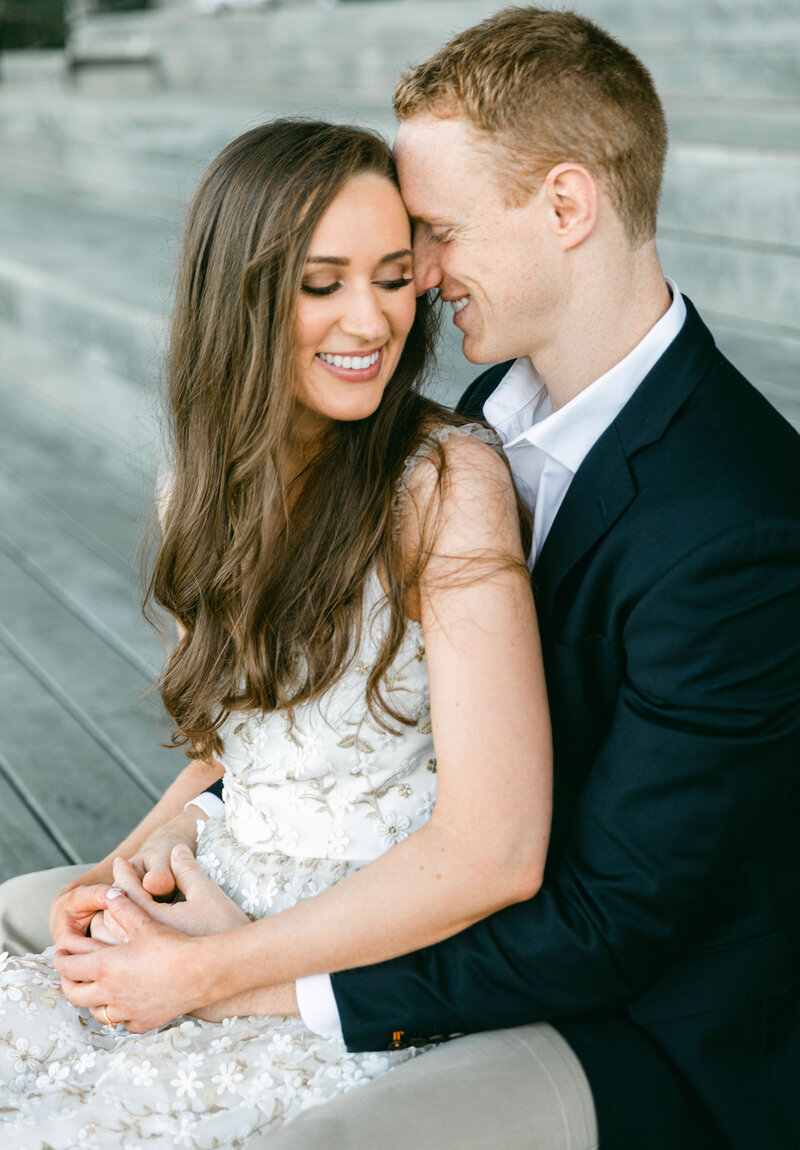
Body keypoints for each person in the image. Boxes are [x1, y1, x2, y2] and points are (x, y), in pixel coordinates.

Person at [2, 7, 799, 1149]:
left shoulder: (738, 522)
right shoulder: (484, 414)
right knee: (38, 922)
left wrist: (230, 976)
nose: (414, 282)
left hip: (636, 1020)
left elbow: (599, 920)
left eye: (429, 234)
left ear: (566, 207)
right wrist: (158, 868)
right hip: (393, 899)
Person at [0, 118, 554, 1146]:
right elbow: (231, 753)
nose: (371, 318)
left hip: (349, 962)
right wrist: (116, 869)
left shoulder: (445, 483)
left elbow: (495, 851)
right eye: (321, 282)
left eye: (393, 276)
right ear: (240, 293)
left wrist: (204, 969)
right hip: (218, 897)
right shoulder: (200, 487)